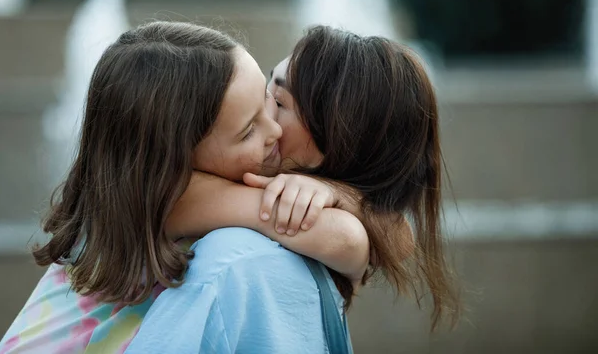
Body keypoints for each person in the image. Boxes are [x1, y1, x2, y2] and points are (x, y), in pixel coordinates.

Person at [0, 21, 369, 354]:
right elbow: (348, 242)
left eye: (269, 104)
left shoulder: (131, 186)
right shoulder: (168, 199)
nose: (275, 131)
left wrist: (339, 194)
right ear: (177, 160)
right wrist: (343, 197)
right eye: (248, 131)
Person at [126, 26, 460, 352]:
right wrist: (345, 203)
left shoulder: (243, 256)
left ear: (335, 149)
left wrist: (341, 195)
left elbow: (397, 237)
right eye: (267, 88)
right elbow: (364, 238)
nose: (263, 110)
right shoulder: (179, 190)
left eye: (280, 103)